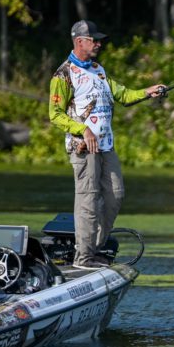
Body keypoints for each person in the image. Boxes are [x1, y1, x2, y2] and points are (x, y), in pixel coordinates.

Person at [49, 20, 165, 270]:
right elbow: (55, 114)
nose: (99, 44)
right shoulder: (63, 75)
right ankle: (83, 258)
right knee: (88, 201)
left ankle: (94, 248)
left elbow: (122, 95)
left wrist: (147, 92)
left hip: (106, 146)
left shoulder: (98, 70)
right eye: (94, 40)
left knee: (115, 195)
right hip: (83, 148)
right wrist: (83, 130)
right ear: (80, 41)